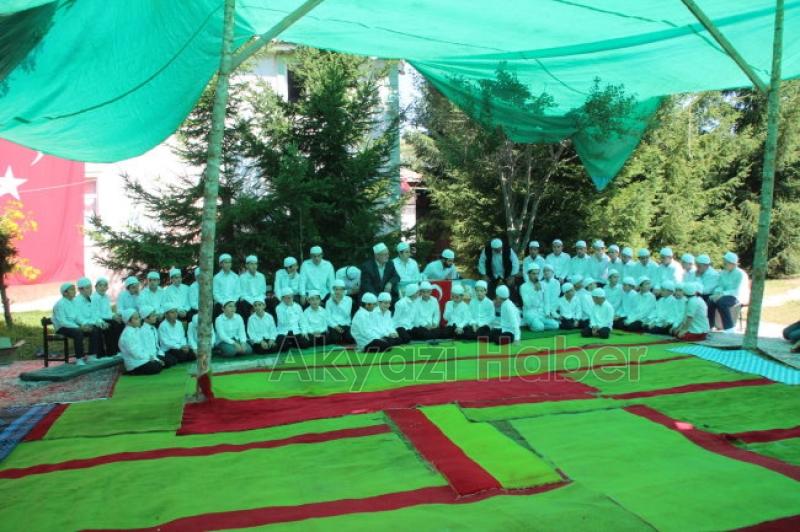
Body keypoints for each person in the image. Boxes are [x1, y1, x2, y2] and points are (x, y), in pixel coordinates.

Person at [52, 282, 97, 365]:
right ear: (65, 293)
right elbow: (63, 322)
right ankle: (79, 358)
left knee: (93, 329)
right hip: (62, 328)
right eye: (72, 290)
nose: (75, 291)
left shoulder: (73, 302)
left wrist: (84, 324)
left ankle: (91, 356)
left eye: (74, 289)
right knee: (78, 332)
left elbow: (77, 317)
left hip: (73, 326)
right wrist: (79, 327)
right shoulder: (60, 304)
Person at [708, 252, 749, 332]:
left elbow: (738, 290)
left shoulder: (740, 274)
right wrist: (717, 293)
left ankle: (729, 328)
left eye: (726, 263)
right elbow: (720, 286)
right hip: (725, 295)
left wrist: (722, 294)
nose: (724, 264)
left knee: (722, 302)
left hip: (738, 296)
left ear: (732, 263)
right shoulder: (724, 272)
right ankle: (710, 326)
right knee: (711, 300)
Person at [118, 309, 163, 375]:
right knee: (156, 367)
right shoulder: (127, 335)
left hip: (142, 358)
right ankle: (132, 371)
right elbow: (135, 353)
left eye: (139, 317)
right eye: (136, 318)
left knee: (158, 364)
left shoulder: (136, 330)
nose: (139, 319)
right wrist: (149, 358)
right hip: (134, 362)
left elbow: (144, 348)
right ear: (128, 322)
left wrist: (154, 358)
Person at [74, 277, 108, 357]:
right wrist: (95, 323)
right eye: (88, 288)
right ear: (80, 290)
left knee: (107, 326)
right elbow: (79, 318)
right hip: (80, 324)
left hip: (90, 323)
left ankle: (106, 353)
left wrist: (101, 322)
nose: (90, 290)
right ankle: (93, 355)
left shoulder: (91, 299)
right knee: (95, 329)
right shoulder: (76, 301)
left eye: (90, 287)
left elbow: (95, 314)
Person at [520, 264, 558, 332]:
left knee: (555, 325)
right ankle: (536, 325)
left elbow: (546, 301)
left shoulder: (543, 285)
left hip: (541, 313)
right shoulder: (524, 287)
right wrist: (535, 291)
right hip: (530, 313)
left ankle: (539, 325)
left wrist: (547, 313)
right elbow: (528, 304)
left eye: (537, 274)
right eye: (533, 274)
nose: (536, 276)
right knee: (539, 327)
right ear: (528, 274)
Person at [92, 277, 123, 357]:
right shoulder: (94, 298)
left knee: (120, 322)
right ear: (96, 287)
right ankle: (111, 352)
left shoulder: (106, 297)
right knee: (113, 324)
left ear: (107, 287)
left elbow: (108, 311)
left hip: (106, 317)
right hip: (97, 319)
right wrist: (112, 317)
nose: (102, 287)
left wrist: (114, 315)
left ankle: (118, 349)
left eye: (104, 286)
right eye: (100, 285)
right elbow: (96, 314)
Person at [326, 279, 355, 344]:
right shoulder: (329, 302)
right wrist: (335, 327)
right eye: (336, 289)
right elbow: (328, 317)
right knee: (335, 340)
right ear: (333, 290)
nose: (338, 292)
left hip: (346, 324)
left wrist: (338, 302)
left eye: (340, 289)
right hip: (334, 325)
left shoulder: (348, 300)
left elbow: (346, 314)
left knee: (350, 339)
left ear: (343, 290)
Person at [238, 255, 267, 319]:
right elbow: (243, 294)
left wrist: (259, 302)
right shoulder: (242, 278)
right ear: (247, 265)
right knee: (243, 305)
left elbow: (263, 292)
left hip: (260, 299)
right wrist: (254, 303)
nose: (254, 266)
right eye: (251, 264)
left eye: (255, 264)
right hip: (248, 301)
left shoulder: (261, 276)